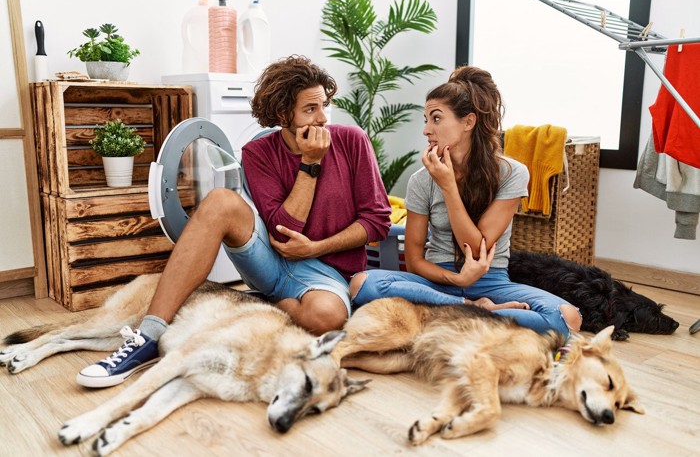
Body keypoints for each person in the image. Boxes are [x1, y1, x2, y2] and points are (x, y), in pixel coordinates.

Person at [78, 56, 391, 388]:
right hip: (272, 260)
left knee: (327, 317)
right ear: (283, 114)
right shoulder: (257, 153)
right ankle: (147, 339)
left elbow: (377, 220)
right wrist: (310, 164)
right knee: (221, 201)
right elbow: (287, 229)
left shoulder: (351, 141)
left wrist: (317, 247)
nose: (323, 118)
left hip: (328, 273)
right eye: (310, 109)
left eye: (324, 106)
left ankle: (261, 304)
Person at [349, 66, 582, 337]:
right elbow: (413, 261)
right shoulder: (421, 180)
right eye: (425, 120)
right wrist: (458, 281)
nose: (426, 130)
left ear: (468, 122)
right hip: (435, 282)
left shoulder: (512, 173)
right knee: (362, 283)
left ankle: (441, 316)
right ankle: (474, 311)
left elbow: (475, 247)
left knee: (568, 317)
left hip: (492, 283)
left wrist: (448, 187)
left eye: (436, 119)